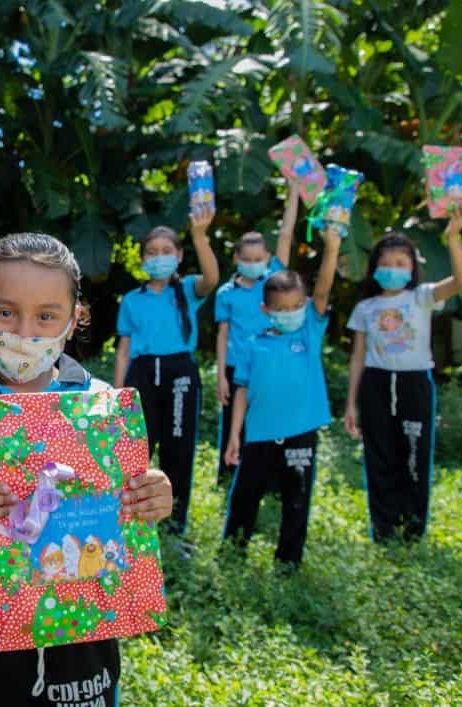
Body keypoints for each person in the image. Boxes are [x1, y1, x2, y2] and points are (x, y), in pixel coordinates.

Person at [0, 233, 174, 706]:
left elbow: (130, 496)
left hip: (85, 621)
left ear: (74, 317)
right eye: (5, 312)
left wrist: (153, 495)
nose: (25, 332)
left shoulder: (101, 403)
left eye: (46, 315)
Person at [344, 204, 462, 542]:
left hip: (415, 384)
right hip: (375, 384)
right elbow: (357, 358)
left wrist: (453, 237)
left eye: (400, 264)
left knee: (415, 456)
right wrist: (351, 404)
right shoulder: (365, 308)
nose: (392, 269)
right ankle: (383, 530)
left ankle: (413, 531)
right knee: (379, 457)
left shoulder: (421, 298)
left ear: (413, 268)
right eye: (385, 264)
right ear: (373, 269)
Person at [222, 225, 343, 568]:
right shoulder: (253, 344)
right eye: (281, 307)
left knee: (296, 499)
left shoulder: (308, 329)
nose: (289, 312)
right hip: (259, 434)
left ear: (304, 305)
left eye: (295, 306)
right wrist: (234, 435)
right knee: (246, 496)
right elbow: (242, 391)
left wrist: (331, 248)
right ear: (266, 309)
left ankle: (288, 564)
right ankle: (232, 554)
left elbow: (323, 290)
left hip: (301, 432)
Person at [113, 210, 219, 534]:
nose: (159, 257)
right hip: (142, 375)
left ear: (179, 256)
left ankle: (174, 529)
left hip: (179, 375)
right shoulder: (132, 300)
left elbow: (212, 279)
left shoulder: (186, 290)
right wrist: (117, 394)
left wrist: (200, 235)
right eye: (152, 252)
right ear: (142, 259)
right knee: (135, 450)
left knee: (179, 450)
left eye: (166, 251)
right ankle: (128, 523)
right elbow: (124, 349)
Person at [214, 182, 299, 486]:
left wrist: (294, 193)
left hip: (270, 363)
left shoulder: (274, 280)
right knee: (232, 425)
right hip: (237, 366)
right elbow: (223, 334)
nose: (253, 264)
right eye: (246, 259)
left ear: (267, 257)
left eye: (258, 258)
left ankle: (271, 480)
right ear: (236, 259)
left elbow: (287, 235)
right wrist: (221, 374)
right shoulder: (226, 293)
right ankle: (228, 475)